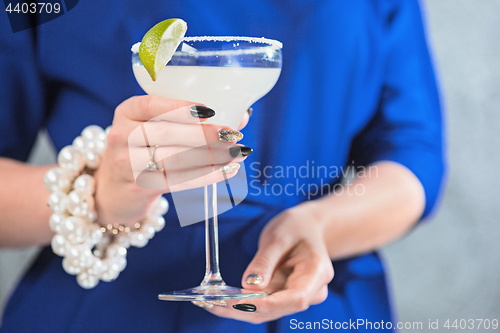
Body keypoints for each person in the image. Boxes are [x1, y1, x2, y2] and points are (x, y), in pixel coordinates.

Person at [0, 0, 445, 331]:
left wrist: (314, 225)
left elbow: (413, 152)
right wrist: (99, 195)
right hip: (108, 302)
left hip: (313, 295)